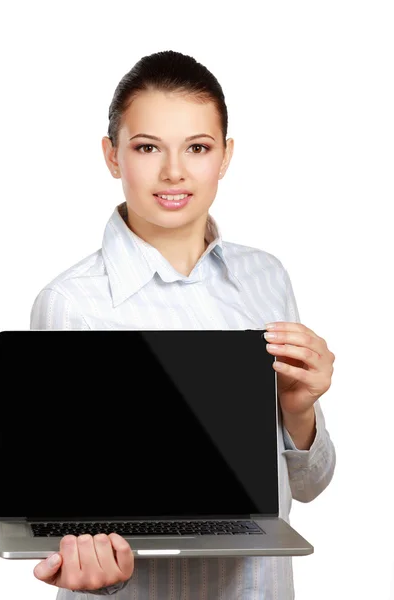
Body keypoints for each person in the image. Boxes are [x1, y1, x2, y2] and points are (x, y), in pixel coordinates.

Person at [29, 50, 336, 600]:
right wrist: (94, 570)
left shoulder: (267, 277)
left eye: (198, 147)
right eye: (148, 147)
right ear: (112, 156)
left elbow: (309, 486)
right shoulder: (72, 303)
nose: (174, 171)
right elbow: (71, 521)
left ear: (225, 156)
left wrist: (299, 408)